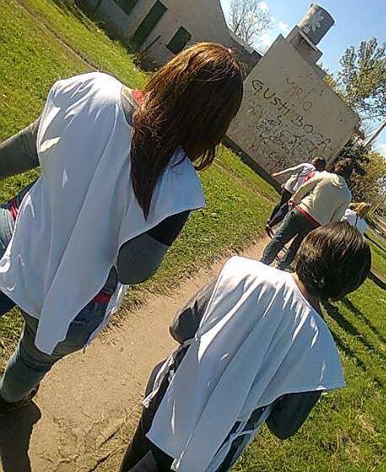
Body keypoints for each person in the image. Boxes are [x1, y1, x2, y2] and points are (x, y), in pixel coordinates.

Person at [0, 42, 243, 414]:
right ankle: (7, 398)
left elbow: (28, 147)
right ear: (214, 126)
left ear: (171, 74)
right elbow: (133, 269)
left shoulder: (93, 89)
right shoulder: (180, 187)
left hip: (15, 233)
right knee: (33, 360)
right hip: (73, 299)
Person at [120, 223, 371, 472]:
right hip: (219, 441)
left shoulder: (242, 272)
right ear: (347, 287)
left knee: (139, 455)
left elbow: (180, 327)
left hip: (170, 394)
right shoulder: (321, 352)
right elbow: (284, 426)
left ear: (307, 247)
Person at [261, 158, 353, 270]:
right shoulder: (347, 196)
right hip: (316, 224)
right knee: (296, 248)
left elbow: (304, 187)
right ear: (349, 175)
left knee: (280, 237)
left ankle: (264, 262)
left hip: (302, 211)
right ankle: (280, 267)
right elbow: (336, 219)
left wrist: (295, 200)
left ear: (336, 167)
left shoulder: (324, 176)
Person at [265, 157, 326, 235]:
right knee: (285, 209)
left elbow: (292, 170)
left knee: (281, 203)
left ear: (315, 162)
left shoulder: (306, 165)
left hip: (288, 187)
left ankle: (270, 219)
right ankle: (271, 224)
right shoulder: (318, 175)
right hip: (296, 192)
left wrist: (279, 174)